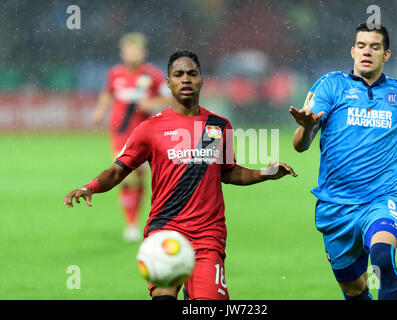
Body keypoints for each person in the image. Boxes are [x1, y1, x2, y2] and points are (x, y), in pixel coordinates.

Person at [65, 50, 297, 300]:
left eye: (191, 73)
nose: (185, 79)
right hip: (165, 231)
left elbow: (228, 173)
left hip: (208, 235)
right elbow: (117, 171)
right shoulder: (151, 128)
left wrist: (266, 173)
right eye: (178, 74)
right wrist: (90, 187)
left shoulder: (216, 126)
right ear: (168, 83)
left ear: (201, 80)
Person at [289, 23, 397, 300]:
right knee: (354, 289)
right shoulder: (329, 86)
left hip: (382, 197)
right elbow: (300, 146)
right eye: (361, 46)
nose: (367, 52)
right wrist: (306, 127)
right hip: (335, 206)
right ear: (352, 51)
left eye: (375, 47)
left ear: (386, 55)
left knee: (382, 256)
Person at [91, 32, 172, 242]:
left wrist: (151, 104)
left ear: (143, 52)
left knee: (139, 177)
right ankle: (132, 224)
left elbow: (168, 96)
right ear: (123, 52)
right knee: (126, 173)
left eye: (136, 50)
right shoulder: (115, 74)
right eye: (128, 50)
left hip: (144, 134)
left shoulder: (151, 75)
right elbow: (108, 93)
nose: (132, 54)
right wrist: (100, 110)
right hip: (119, 133)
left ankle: (138, 221)